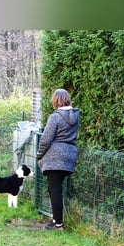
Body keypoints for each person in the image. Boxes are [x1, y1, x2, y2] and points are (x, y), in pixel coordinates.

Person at [36, 88, 80, 230]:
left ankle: (59, 225)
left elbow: (46, 140)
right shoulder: (75, 116)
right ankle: (55, 220)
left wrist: (39, 154)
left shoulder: (55, 117)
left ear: (56, 100)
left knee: (54, 189)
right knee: (53, 188)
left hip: (55, 157)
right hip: (69, 155)